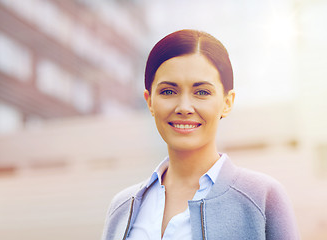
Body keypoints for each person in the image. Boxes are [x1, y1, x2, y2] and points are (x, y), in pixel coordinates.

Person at [102, 29, 300, 240]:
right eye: (168, 91)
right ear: (150, 101)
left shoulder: (263, 198)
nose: (184, 107)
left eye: (202, 92)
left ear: (227, 102)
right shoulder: (122, 207)